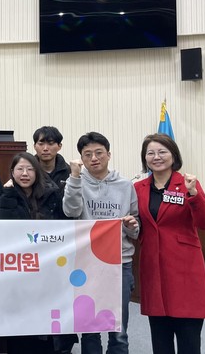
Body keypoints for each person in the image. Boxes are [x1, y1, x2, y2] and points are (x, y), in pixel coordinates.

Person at [134, 133, 205, 354]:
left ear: (174, 155)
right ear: (144, 158)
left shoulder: (187, 184)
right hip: (153, 269)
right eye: (150, 153)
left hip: (184, 269)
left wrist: (194, 194)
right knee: (160, 341)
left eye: (162, 152)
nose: (156, 157)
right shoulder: (138, 188)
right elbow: (139, 223)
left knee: (189, 341)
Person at [62, 132, 139, 354]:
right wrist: (74, 178)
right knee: (89, 327)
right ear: (81, 159)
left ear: (109, 155)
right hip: (86, 261)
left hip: (119, 261)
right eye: (87, 155)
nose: (94, 158)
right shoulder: (75, 181)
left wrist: (131, 225)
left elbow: (135, 228)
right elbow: (71, 211)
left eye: (99, 153)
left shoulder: (125, 185)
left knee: (119, 326)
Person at [0, 152, 77, 353]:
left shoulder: (52, 195)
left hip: (49, 269)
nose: (25, 174)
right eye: (20, 169)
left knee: (47, 326)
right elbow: (4, 232)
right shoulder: (5, 198)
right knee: (21, 330)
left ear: (37, 172)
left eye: (30, 169)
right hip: (18, 272)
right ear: (12, 172)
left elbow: (66, 226)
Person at [33, 126, 71, 191]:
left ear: (59, 146)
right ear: (34, 146)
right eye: (41, 144)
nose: (45, 148)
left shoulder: (69, 171)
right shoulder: (29, 171)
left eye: (50, 144)